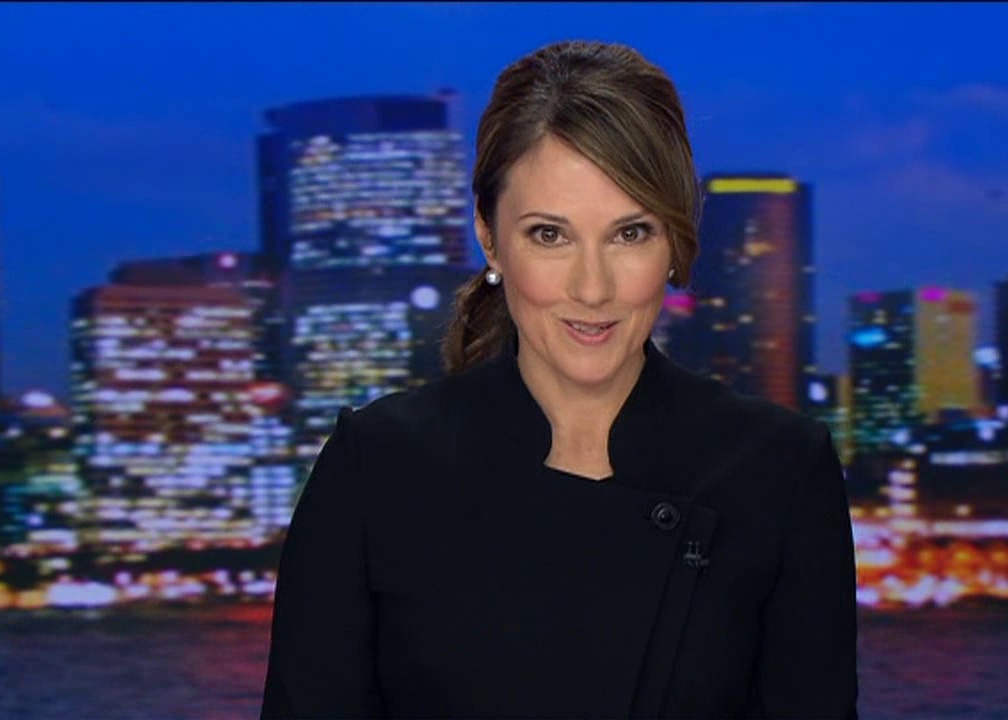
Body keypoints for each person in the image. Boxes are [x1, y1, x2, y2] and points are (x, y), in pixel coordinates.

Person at [260, 39, 858, 719]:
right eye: (550, 235)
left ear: (674, 240)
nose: (592, 288)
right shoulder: (374, 467)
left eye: (630, 234)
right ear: (490, 238)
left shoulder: (780, 469)